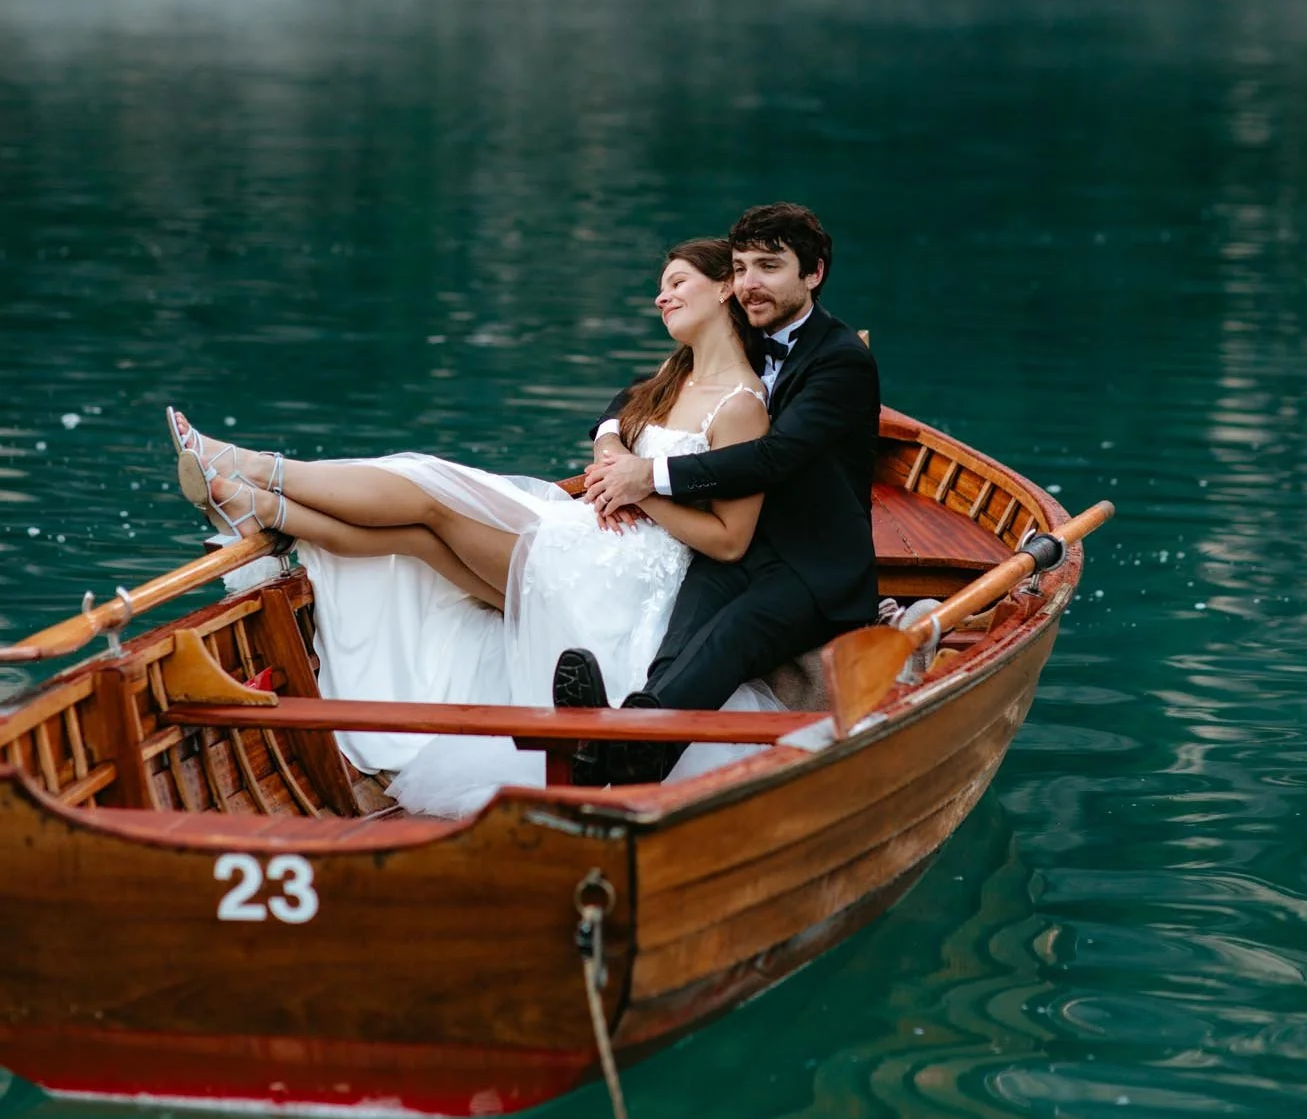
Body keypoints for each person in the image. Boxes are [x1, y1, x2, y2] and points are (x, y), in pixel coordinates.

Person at [166, 237, 773, 813]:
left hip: (618, 583)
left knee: (430, 492)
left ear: (724, 289)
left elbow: (730, 539)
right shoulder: (671, 379)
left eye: (676, 282)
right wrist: (612, 461)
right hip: (586, 534)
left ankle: (249, 467)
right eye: (660, 287)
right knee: (420, 540)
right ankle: (266, 510)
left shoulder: (741, 405)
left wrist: (641, 494)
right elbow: (613, 439)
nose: (660, 297)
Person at [569, 202, 880, 783]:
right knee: (678, 641)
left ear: (813, 274)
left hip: (811, 566)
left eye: (769, 266)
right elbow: (642, 389)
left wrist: (650, 477)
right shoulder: (747, 335)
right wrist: (611, 439)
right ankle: (633, 750)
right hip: (738, 544)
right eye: (739, 269)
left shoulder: (842, 361)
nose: (749, 284)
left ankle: (612, 746)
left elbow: (775, 457)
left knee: (730, 640)